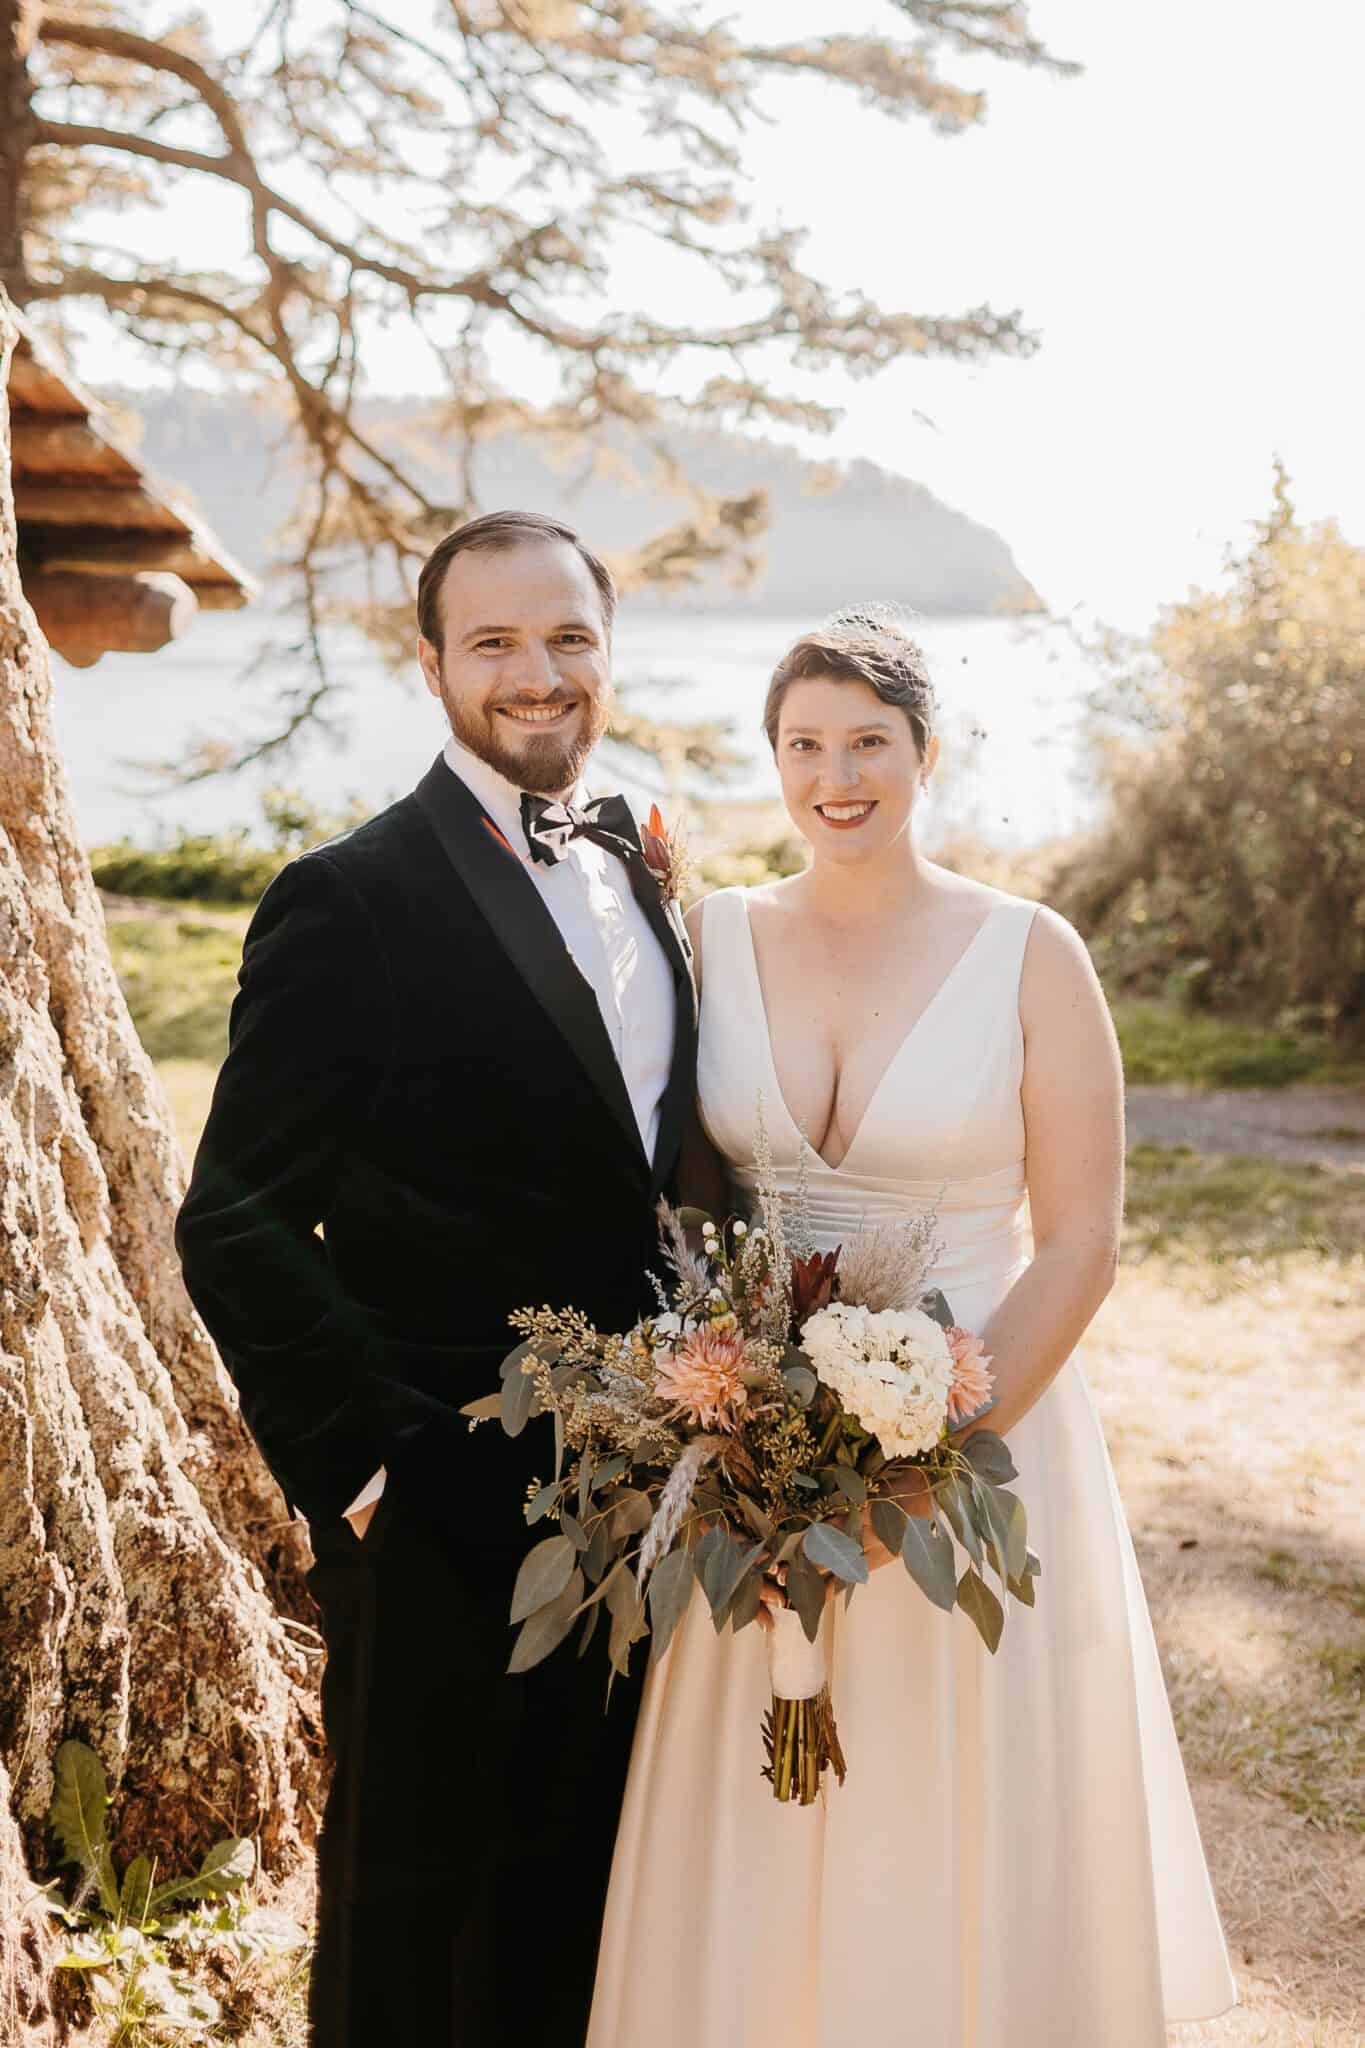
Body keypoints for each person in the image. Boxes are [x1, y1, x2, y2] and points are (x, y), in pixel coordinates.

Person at [589, 612, 1237, 2047]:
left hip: (979, 1427)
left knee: (951, 1793)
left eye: (867, 742)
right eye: (803, 745)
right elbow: (679, 1196)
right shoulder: (713, 933)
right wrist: (722, 1409)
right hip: (753, 1439)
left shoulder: (1028, 953)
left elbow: (1079, 1242)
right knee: (765, 1772)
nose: (837, 775)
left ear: (923, 755)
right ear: (771, 761)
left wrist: (928, 1463)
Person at [175, 510, 697, 2047]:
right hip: (437, 1491)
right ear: (431, 668)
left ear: (607, 652)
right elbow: (236, 1215)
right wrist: (375, 1471)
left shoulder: (648, 867)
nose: (535, 676)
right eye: (494, 644)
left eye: (567, 640)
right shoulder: (349, 897)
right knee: (414, 1903)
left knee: (585, 1880)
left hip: (647, 1484)